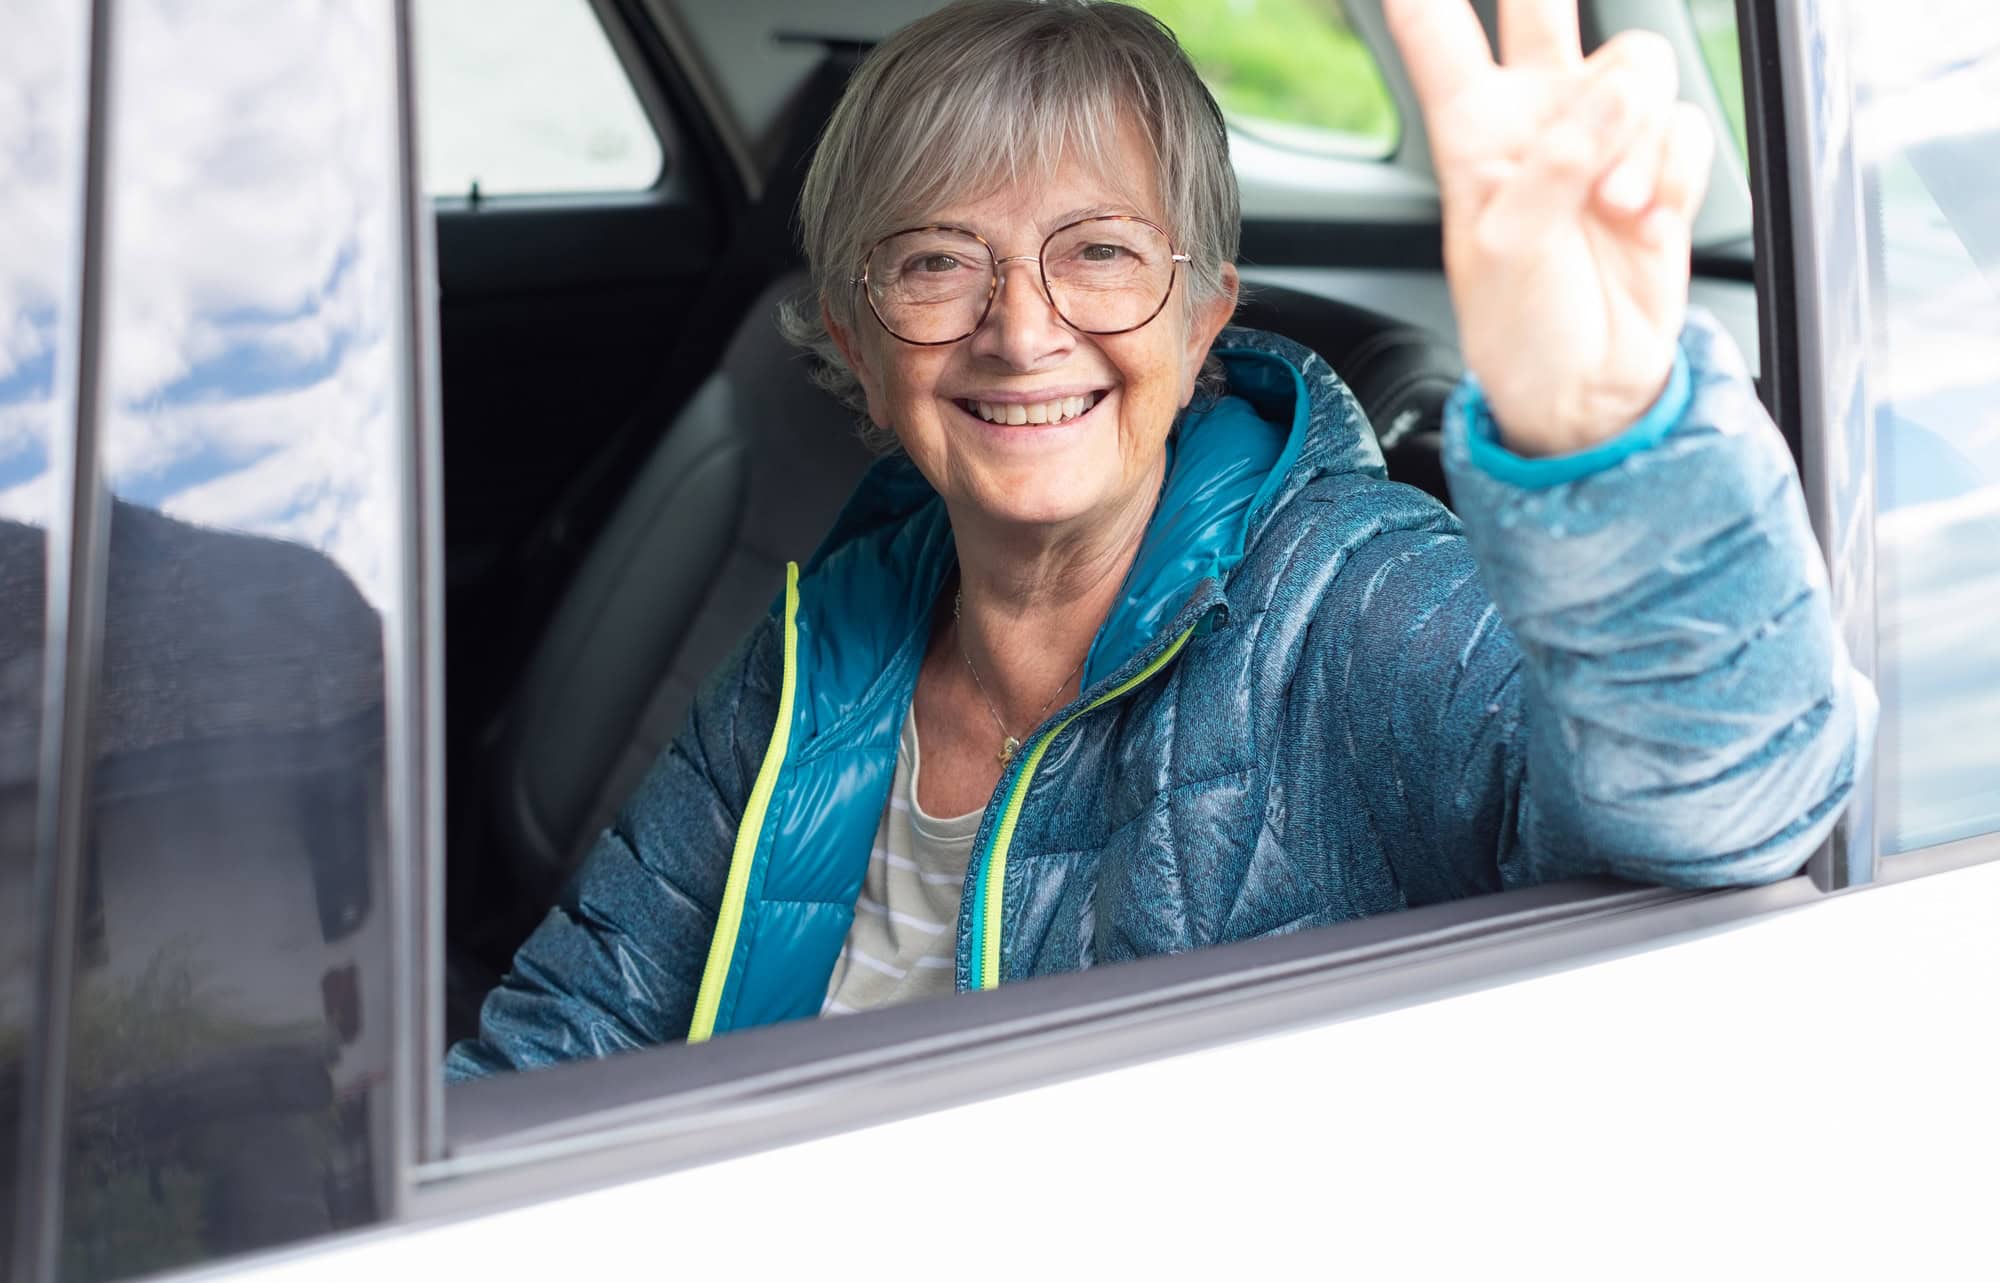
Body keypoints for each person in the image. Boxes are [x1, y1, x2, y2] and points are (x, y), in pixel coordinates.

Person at [446, 0, 1874, 1076]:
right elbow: (575, 1022)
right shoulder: (830, 630)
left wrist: (1611, 434)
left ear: (1205, 325)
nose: (1022, 327)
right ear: (855, 344)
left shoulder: (1354, 607)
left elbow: (1723, 816)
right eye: (939, 260)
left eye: (1103, 252)